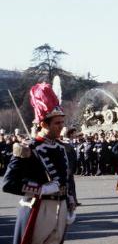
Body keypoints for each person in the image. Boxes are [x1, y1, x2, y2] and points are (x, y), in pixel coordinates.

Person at [2, 83, 77, 244]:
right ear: (43, 124)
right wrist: (40, 189)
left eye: (62, 122)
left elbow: (65, 178)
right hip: (38, 208)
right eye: (57, 123)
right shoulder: (27, 148)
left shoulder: (62, 147)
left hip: (61, 207)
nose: (61, 127)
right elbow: (8, 183)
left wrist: (69, 198)